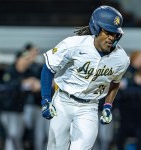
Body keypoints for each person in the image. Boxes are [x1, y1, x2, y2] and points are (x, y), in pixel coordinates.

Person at [40, 5, 130, 150]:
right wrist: (46, 99)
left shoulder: (121, 59)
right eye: (108, 32)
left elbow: (115, 82)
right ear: (95, 28)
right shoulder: (74, 45)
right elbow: (48, 68)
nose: (112, 38)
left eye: (115, 34)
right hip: (63, 101)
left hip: (89, 106)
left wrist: (108, 105)